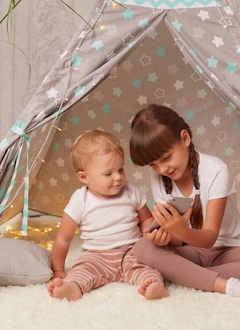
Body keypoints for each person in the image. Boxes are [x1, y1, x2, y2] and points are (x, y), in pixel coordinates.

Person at [129, 104, 240, 305]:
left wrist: (180, 231)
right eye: (153, 165)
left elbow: (209, 238)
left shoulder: (216, 171)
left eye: (166, 158)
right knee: (142, 247)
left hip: (228, 251)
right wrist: (166, 238)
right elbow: (178, 241)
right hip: (191, 252)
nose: (162, 169)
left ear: (184, 138)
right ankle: (227, 285)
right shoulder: (159, 179)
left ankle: (183, 275)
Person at [47, 129, 169, 301]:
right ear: (84, 177)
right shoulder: (80, 200)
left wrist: (150, 232)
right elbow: (63, 239)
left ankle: (154, 286)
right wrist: (58, 270)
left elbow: (146, 219)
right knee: (82, 268)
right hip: (97, 255)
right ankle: (73, 288)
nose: (118, 177)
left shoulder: (131, 192)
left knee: (147, 266)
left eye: (120, 169)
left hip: (132, 251)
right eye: (108, 173)